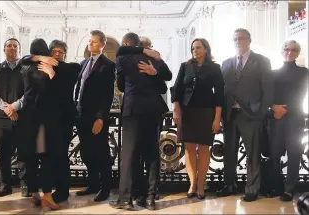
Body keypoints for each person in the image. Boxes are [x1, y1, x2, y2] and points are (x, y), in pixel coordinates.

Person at [109, 32, 172, 211]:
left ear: (127, 42)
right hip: (153, 111)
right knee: (152, 154)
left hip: (133, 110)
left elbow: (120, 85)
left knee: (129, 155)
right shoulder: (154, 57)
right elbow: (166, 78)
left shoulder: (123, 56)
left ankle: (126, 198)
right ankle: (150, 198)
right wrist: (155, 71)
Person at [217, 28, 273, 202]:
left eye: (241, 38)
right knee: (229, 152)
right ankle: (229, 185)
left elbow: (268, 89)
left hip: (252, 115)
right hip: (230, 115)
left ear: (249, 40)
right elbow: (221, 90)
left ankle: (251, 188)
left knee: (253, 154)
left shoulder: (262, 61)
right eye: (234, 39)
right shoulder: (225, 63)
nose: (237, 41)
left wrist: (262, 112)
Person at [22, 39, 80, 203]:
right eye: (53, 51)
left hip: (64, 121)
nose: (56, 54)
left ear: (64, 54)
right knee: (49, 157)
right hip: (49, 121)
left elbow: (62, 93)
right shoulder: (41, 66)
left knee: (61, 157)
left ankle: (62, 191)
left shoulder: (71, 68)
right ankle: (49, 191)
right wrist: (40, 59)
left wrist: (52, 73)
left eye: (60, 52)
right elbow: (24, 59)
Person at [171, 38, 224, 200]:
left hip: (206, 112)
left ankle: (201, 184)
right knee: (188, 149)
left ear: (206, 49)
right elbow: (177, 89)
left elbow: (220, 94)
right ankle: (192, 183)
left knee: (203, 149)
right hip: (187, 112)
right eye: (193, 48)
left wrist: (217, 118)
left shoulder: (215, 68)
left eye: (199, 47)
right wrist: (176, 109)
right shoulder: (185, 66)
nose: (195, 50)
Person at [74, 30, 116, 202]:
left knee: (101, 153)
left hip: (96, 117)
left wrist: (100, 117)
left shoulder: (108, 65)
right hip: (81, 114)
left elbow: (108, 94)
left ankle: (105, 188)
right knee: (86, 152)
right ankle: (92, 184)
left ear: (102, 44)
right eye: (89, 41)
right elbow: (78, 87)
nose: (90, 44)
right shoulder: (84, 63)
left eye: (94, 42)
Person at [268, 40, 309, 201]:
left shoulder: (304, 72)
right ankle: (276, 185)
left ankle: (289, 189)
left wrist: (286, 109)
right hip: (276, 117)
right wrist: (273, 108)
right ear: (282, 51)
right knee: (274, 153)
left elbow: (301, 93)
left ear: (297, 53)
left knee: (294, 153)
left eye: (293, 50)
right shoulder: (273, 72)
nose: (289, 52)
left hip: (295, 116)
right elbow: (268, 95)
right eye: (286, 49)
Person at [0, 38, 29, 197]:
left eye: (15, 46)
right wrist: (7, 108)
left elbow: (29, 92)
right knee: (3, 153)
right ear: (4, 49)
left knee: (24, 152)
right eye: (9, 46)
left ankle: (25, 184)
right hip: (2, 118)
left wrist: (15, 106)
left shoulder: (26, 69)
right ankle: (5, 185)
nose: (12, 49)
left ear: (19, 50)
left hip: (22, 116)